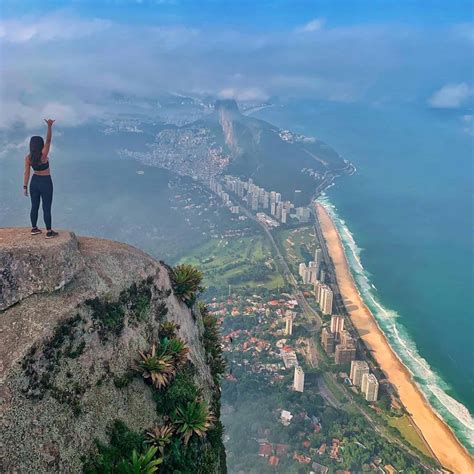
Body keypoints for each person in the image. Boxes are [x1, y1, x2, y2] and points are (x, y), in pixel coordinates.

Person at [23, 119, 58, 238]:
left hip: (34, 182)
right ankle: (49, 231)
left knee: (34, 206)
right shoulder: (43, 155)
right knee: (46, 207)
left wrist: (25, 186)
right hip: (45, 182)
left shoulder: (28, 158)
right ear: (40, 145)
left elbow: (26, 173)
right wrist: (49, 126)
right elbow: (48, 140)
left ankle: (34, 228)